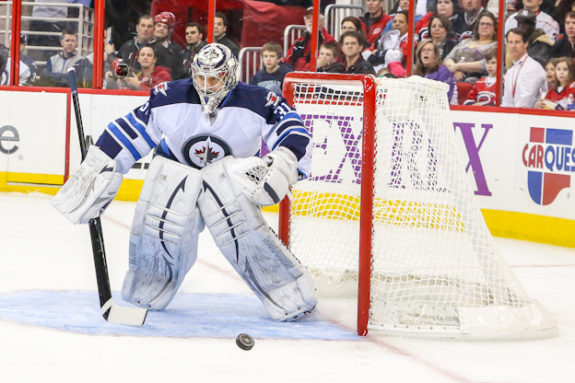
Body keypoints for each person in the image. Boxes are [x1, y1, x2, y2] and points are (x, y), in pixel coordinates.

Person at [51, 43, 317, 322]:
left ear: (229, 76)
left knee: (240, 226)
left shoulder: (258, 100)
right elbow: (129, 130)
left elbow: (293, 130)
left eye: (213, 78)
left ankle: (288, 289)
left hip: (230, 182)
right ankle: (150, 284)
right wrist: (100, 166)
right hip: (176, 175)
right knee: (162, 222)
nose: (205, 85)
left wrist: (284, 161)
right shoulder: (169, 96)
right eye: (200, 77)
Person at [444, 11, 498, 82]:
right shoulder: (465, 41)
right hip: (454, 73)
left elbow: (485, 64)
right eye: (482, 24)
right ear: (477, 28)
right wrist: (455, 70)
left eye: (488, 24)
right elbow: (448, 58)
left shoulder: (496, 45)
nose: (485, 26)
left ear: (494, 29)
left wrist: (458, 66)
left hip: (475, 79)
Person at [502, 28, 547, 108]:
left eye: (517, 42)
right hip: (515, 116)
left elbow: (526, 102)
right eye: (510, 42)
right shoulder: (510, 71)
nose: (513, 46)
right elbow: (507, 101)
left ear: (526, 44)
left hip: (531, 117)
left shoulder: (532, 67)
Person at [283, 7, 335, 72]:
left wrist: (302, 72)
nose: (311, 20)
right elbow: (287, 60)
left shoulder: (328, 40)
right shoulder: (299, 41)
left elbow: (321, 62)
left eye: (314, 17)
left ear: (322, 21)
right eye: (308, 18)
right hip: (295, 76)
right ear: (305, 21)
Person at [414, 39, 458, 104]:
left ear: (435, 54)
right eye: (423, 50)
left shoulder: (443, 71)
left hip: (448, 110)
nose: (426, 52)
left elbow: (445, 98)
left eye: (429, 50)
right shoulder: (418, 73)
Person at [153, 11, 184, 79]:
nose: (161, 29)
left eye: (165, 27)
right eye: (159, 25)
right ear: (154, 28)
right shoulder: (146, 46)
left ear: (169, 31)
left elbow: (179, 73)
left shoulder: (176, 49)